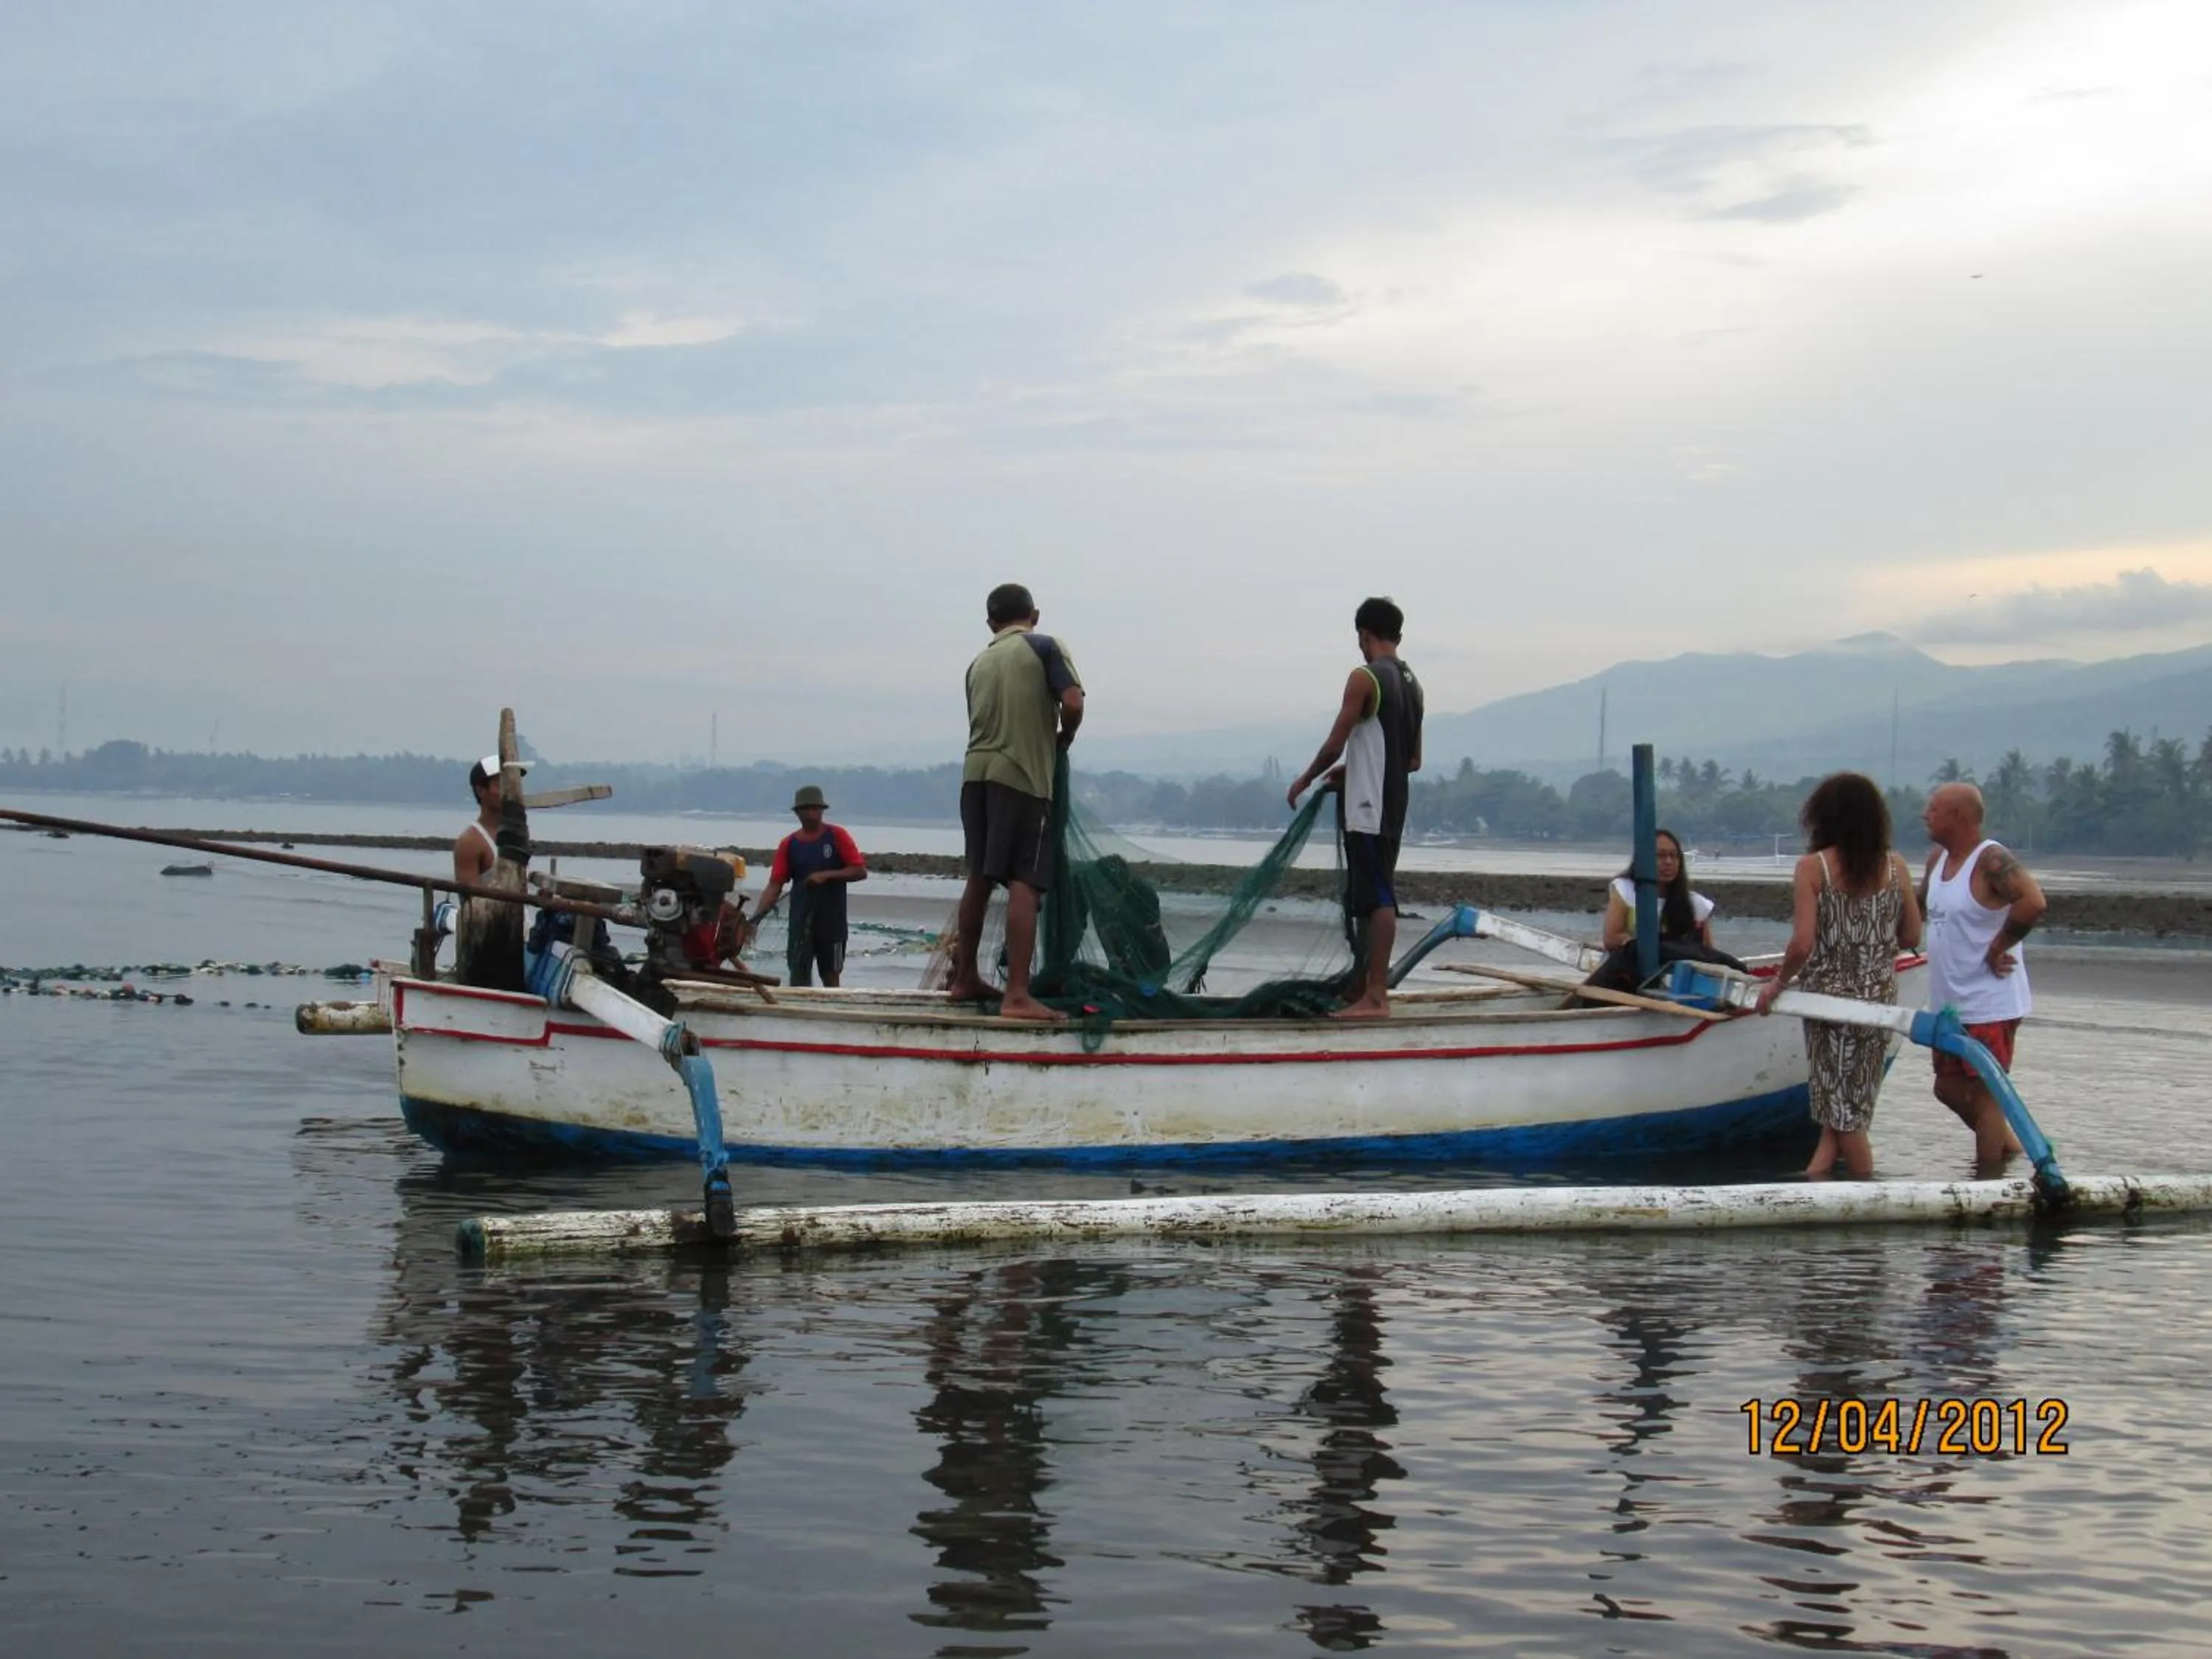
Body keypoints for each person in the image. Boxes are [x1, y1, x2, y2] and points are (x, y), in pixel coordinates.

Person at [1755, 772, 1924, 1179]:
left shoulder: (1814, 868)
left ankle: (1867, 1198)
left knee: (1843, 1113)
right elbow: (1912, 935)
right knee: (1845, 1104)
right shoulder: (1895, 866)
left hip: (1828, 1002)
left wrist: (1777, 985)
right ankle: (1816, 1178)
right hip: (1879, 1000)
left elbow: (1802, 946)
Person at [945, 583, 1084, 1020]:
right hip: (1023, 779)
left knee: (980, 877)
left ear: (991, 623)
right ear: (1035, 615)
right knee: (1026, 879)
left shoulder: (978, 663)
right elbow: (1073, 701)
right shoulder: (1044, 646)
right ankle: (1018, 996)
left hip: (975, 778)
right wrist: (1066, 735)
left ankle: (964, 978)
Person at [1286, 597, 1424, 1019]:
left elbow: (1335, 740)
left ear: (1365, 635)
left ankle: (1376, 997)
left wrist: (1306, 778)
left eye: (1360, 639)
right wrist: (1355, 768)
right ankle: (1363, 986)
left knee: (1379, 898)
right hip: (1394, 806)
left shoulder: (1365, 677)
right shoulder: (1414, 684)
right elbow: (1411, 760)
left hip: (1368, 808)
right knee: (1369, 895)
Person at [1921, 781, 2046, 1169]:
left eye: (1934, 809)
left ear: (1958, 817)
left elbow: (2033, 902)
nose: (1926, 814)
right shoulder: (1936, 860)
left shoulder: (1990, 860)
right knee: (1947, 1088)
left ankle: (1988, 1183)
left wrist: (1998, 947)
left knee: (1986, 1093)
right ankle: (2009, 1148)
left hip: (1990, 1002)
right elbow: (1919, 906)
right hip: (1950, 1003)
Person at [1583, 829, 1746, 992]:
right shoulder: (1626, 890)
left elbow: (1706, 950)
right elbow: (1611, 939)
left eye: (1673, 856)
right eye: (1660, 856)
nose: (1668, 862)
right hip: (1630, 978)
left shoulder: (1694, 903)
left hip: (1676, 983)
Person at [745, 785, 868, 987]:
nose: (812, 813)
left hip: (832, 920)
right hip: (800, 920)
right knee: (798, 975)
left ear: (822, 810)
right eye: (807, 809)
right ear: (797, 812)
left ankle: (832, 1011)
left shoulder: (837, 836)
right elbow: (775, 885)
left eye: (816, 809)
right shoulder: (789, 844)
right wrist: (756, 919)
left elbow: (859, 871)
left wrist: (827, 875)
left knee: (831, 975)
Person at [453, 753, 526, 887]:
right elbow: (469, 902)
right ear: (481, 790)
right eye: (502, 786)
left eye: (513, 785)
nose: (510, 792)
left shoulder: (516, 834)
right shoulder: (471, 842)